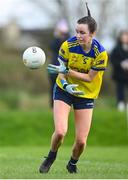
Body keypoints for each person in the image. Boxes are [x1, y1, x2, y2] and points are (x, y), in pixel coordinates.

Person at [39, 3, 108, 173]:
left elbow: (90, 77)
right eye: (76, 31)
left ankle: (72, 163)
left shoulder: (100, 53)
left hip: (86, 94)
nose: (78, 35)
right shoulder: (67, 46)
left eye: (82, 32)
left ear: (92, 34)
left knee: (81, 141)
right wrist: (66, 84)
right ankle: (51, 156)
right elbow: (61, 74)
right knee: (61, 132)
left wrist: (68, 71)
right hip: (64, 90)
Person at [48, 19, 70, 107]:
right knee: (53, 87)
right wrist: (58, 37)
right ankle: (52, 105)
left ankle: (65, 106)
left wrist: (62, 37)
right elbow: (52, 46)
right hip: (54, 67)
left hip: (65, 69)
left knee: (65, 87)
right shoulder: (55, 40)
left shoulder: (69, 41)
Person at [110, 30, 128, 111]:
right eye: (123, 36)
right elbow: (112, 60)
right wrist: (121, 64)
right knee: (120, 90)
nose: (125, 38)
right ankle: (120, 104)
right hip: (119, 74)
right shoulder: (116, 48)